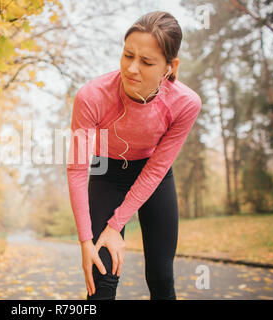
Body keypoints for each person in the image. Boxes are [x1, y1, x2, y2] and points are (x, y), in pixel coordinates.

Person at [66, 11, 202, 300]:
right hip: (105, 170)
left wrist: (117, 225)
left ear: (170, 66)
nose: (132, 69)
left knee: (161, 277)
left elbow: (156, 170)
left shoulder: (185, 104)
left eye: (147, 61)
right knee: (101, 280)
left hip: (153, 174)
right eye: (128, 55)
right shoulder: (91, 96)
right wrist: (85, 241)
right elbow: (78, 169)